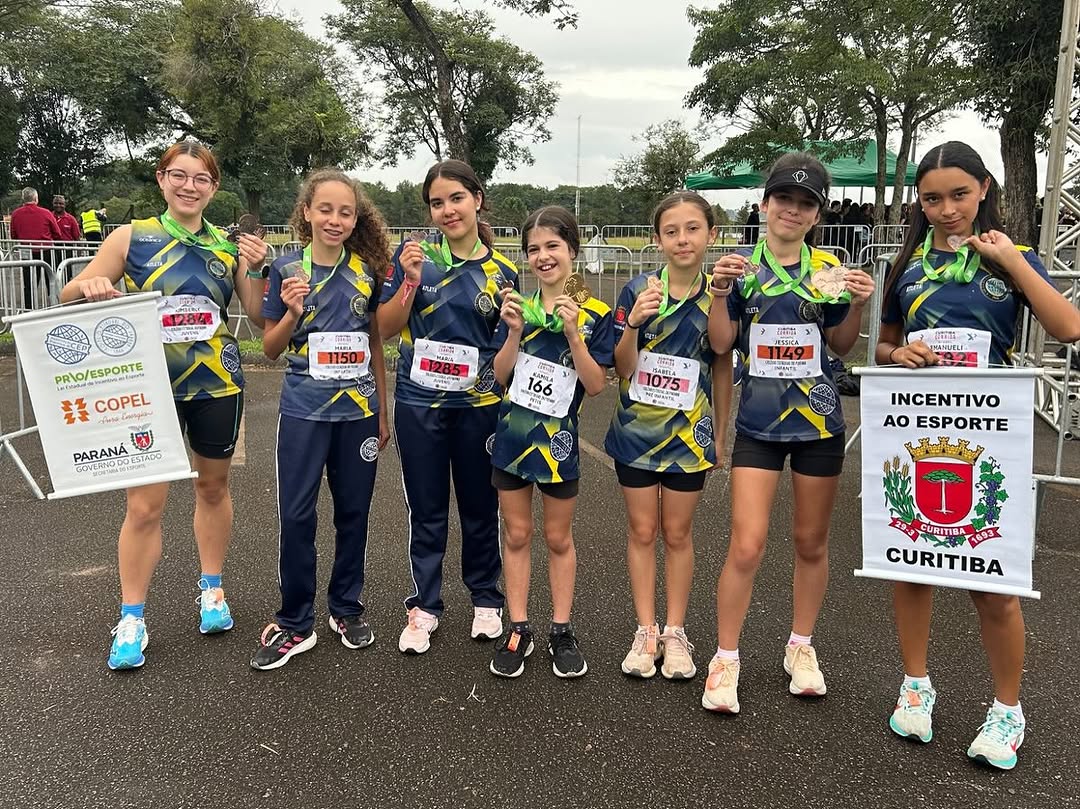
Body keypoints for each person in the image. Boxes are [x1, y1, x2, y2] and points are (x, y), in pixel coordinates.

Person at [875, 141, 1080, 769]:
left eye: (959, 195)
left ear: (984, 188)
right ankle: (916, 685)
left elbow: (1067, 326)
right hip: (917, 432)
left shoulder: (1010, 258)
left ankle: (1008, 709)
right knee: (912, 562)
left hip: (991, 435)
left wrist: (1013, 263)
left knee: (994, 582)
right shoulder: (906, 265)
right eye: (932, 198)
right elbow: (884, 345)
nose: (946, 210)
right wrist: (897, 356)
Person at [60, 140, 268, 670]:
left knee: (213, 487)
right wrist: (94, 285)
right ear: (162, 179)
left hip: (218, 386)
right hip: (147, 390)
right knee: (144, 506)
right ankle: (132, 616)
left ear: (213, 188)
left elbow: (259, 316)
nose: (189, 186)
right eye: (179, 175)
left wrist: (262, 270)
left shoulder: (227, 246)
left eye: (201, 179)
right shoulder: (131, 236)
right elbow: (68, 293)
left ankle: (213, 590)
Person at [702, 153, 874, 714]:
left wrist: (856, 304)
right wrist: (721, 294)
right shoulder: (740, 268)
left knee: (810, 541)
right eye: (784, 200)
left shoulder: (829, 269)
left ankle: (801, 645)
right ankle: (725, 656)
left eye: (805, 204)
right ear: (764, 204)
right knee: (747, 544)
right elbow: (723, 344)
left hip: (819, 421)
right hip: (759, 422)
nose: (792, 211)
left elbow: (842, 345)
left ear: (817, 215)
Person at [249, 169, 391, 670]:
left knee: (354, 513)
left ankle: (346, 608)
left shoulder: (367, 271)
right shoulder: (286, 268)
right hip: (304, 412)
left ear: (356, 219)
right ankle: (295, 621)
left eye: (345, 211)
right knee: (297, 514)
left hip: (357, 414)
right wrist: (291, 313)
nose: (335, 219)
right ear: (306, 212)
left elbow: (374, 341)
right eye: (325, 209)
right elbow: (269, 348)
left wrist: (383, 407)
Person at [377, 159, 518, 654]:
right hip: (420, 404)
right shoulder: (414, 258)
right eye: (437, 203)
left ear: (477, 199)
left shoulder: (505, 270)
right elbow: (387, 328)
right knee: (427, 507)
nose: (447, 210)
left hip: (479, 405)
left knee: (481, 505)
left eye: (456, 198)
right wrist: (411, 280)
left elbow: (509, 345)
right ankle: (425, 604)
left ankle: (486, 597)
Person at [605, 190, 733, 681]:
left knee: (678, 534)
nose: (683, 239)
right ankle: (645, 628)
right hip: (636, 432)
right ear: (657, 239)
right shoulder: (637, 288)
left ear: (711, 234)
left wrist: (720, 433)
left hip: (691, 435)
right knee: (642, 531)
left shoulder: (720, 292)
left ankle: (676, 631)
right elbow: (622, 367)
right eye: (672, 231)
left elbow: (721, 364)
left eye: (693, 229)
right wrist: (633, 323)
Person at [487, 206, 614, 679]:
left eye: (552, 247)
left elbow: (597, 385)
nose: (543, 257)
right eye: (534, 249)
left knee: (558, 537)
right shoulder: (516, 305)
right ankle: (518, 627)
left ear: (573, 250)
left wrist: (575, 335)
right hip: (513, 438)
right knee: (517, 534)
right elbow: (499, 377)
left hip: (560, 445)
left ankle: (562, 629)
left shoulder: (592, 309)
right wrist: (514, 334)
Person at [10, 186, 61, 307]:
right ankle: (54, 306)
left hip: (26, 251)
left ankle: (29, 309)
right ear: (36, 198)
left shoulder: (16, 214)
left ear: (23, 198)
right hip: (46, 250)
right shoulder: (46, 213)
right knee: (51, 280)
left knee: (29, 284)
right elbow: (57, 233)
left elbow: (13, 235)